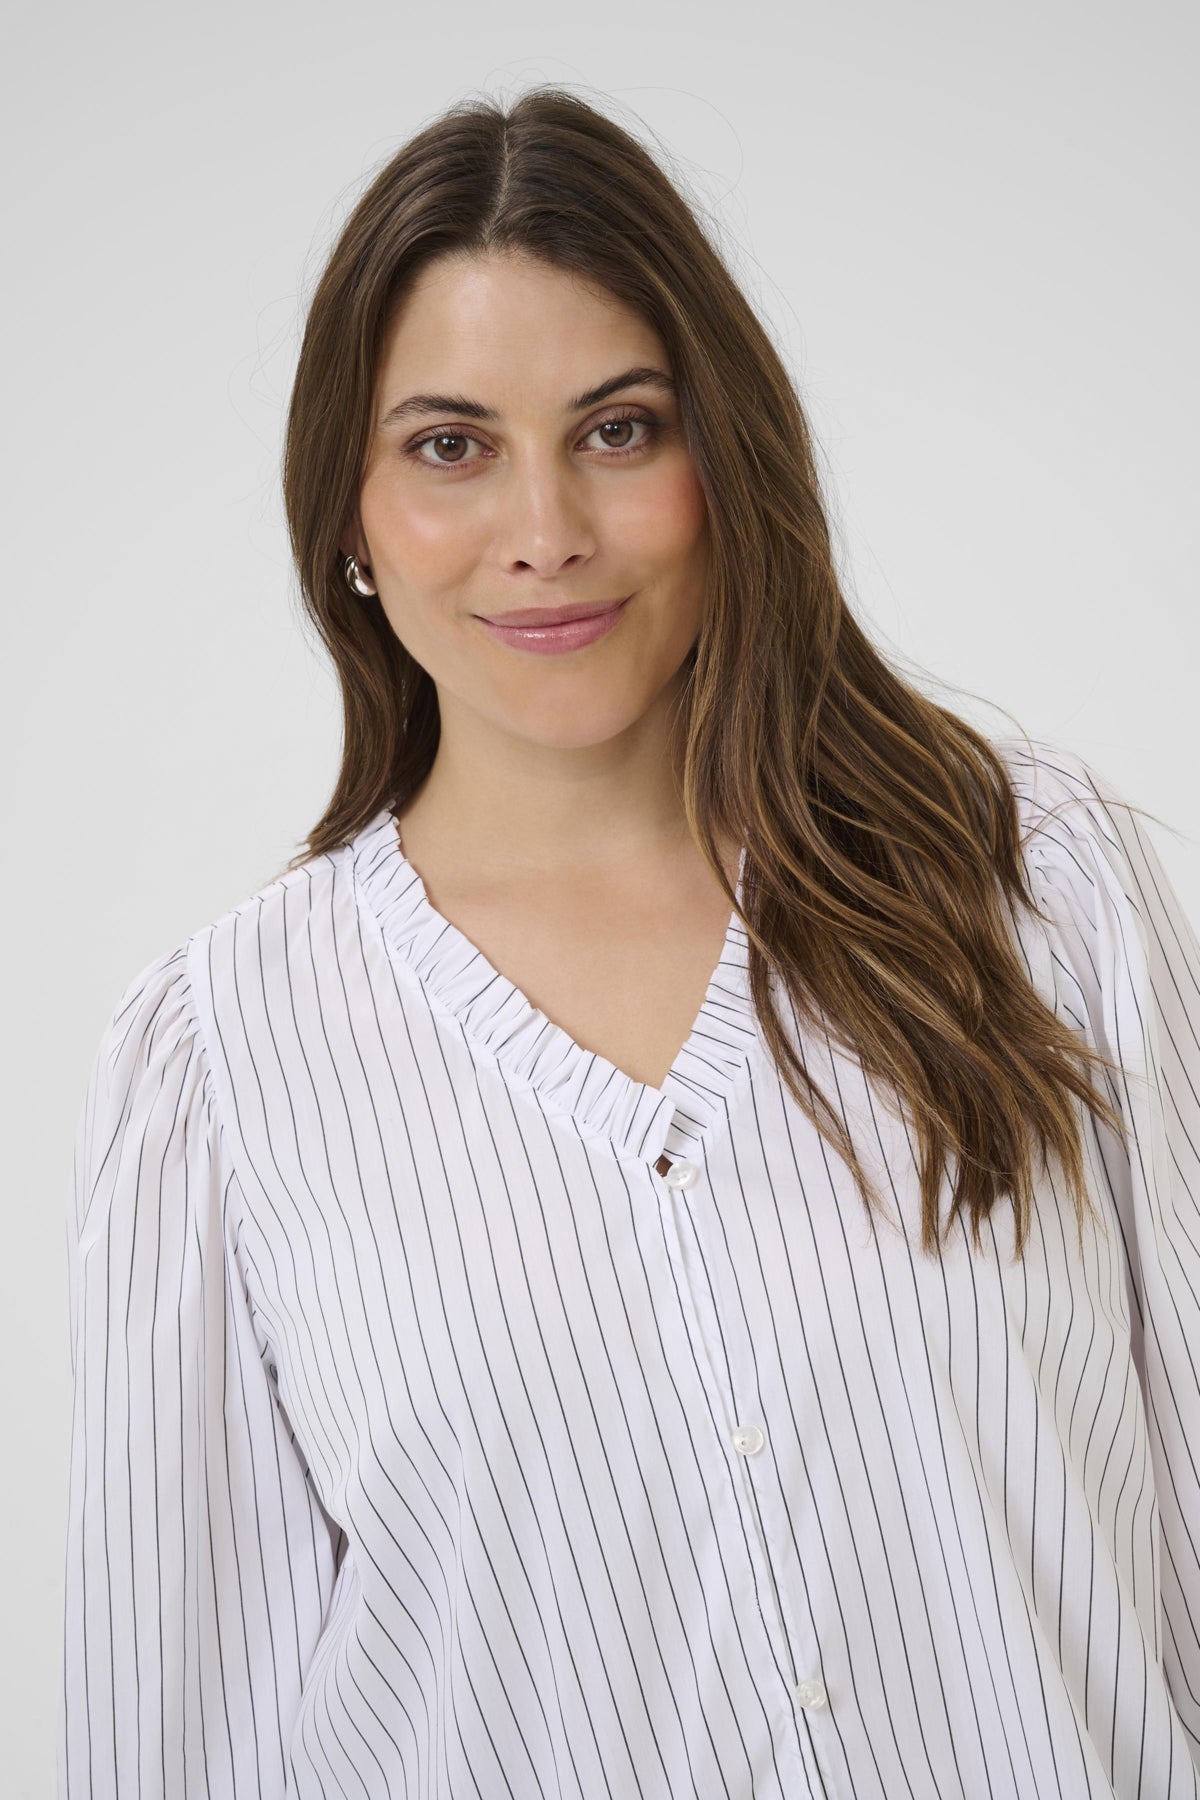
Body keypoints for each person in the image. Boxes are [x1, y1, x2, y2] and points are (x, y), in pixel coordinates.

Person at [60, 86, 1200, 1800]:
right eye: (450, 446)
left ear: (722, 457)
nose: (547, 532)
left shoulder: (1037, 886)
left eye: (618, 429)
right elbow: (185, 1737)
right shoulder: (218, 1070)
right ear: (347, 516)